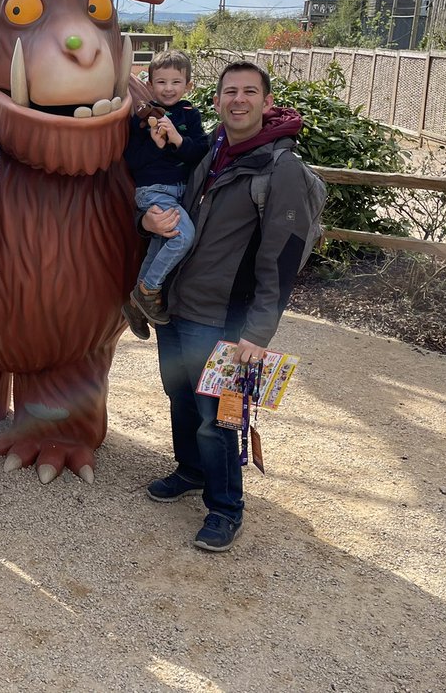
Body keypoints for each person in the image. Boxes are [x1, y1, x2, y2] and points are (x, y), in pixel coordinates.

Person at [136, 61, 318, 553]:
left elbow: (282, 257)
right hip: (178, 304)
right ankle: (191, 471)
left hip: (224, 317)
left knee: (217, 416)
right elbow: (172, 208)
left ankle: (225, 508)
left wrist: (257, 333)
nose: (239, 100)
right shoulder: (209, 148)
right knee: (179, 397)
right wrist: (147, 223)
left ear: (265, 100)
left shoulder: (281, 169)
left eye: (249, 92)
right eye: (230, 92)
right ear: (216, 101)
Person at [122, 50, 209, 327]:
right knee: (183, 236)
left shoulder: (189, 115)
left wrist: (176, 139)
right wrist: (155, 146)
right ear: (149, 84)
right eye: (161, 82)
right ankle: (148, 290)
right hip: (153, 190)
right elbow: (131, 161)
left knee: (161, 242)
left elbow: (200, 152)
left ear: (188, 85)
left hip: (181, 191)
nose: (168, 88)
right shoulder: (140, 118)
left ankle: (135, 304)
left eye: (175, 82)